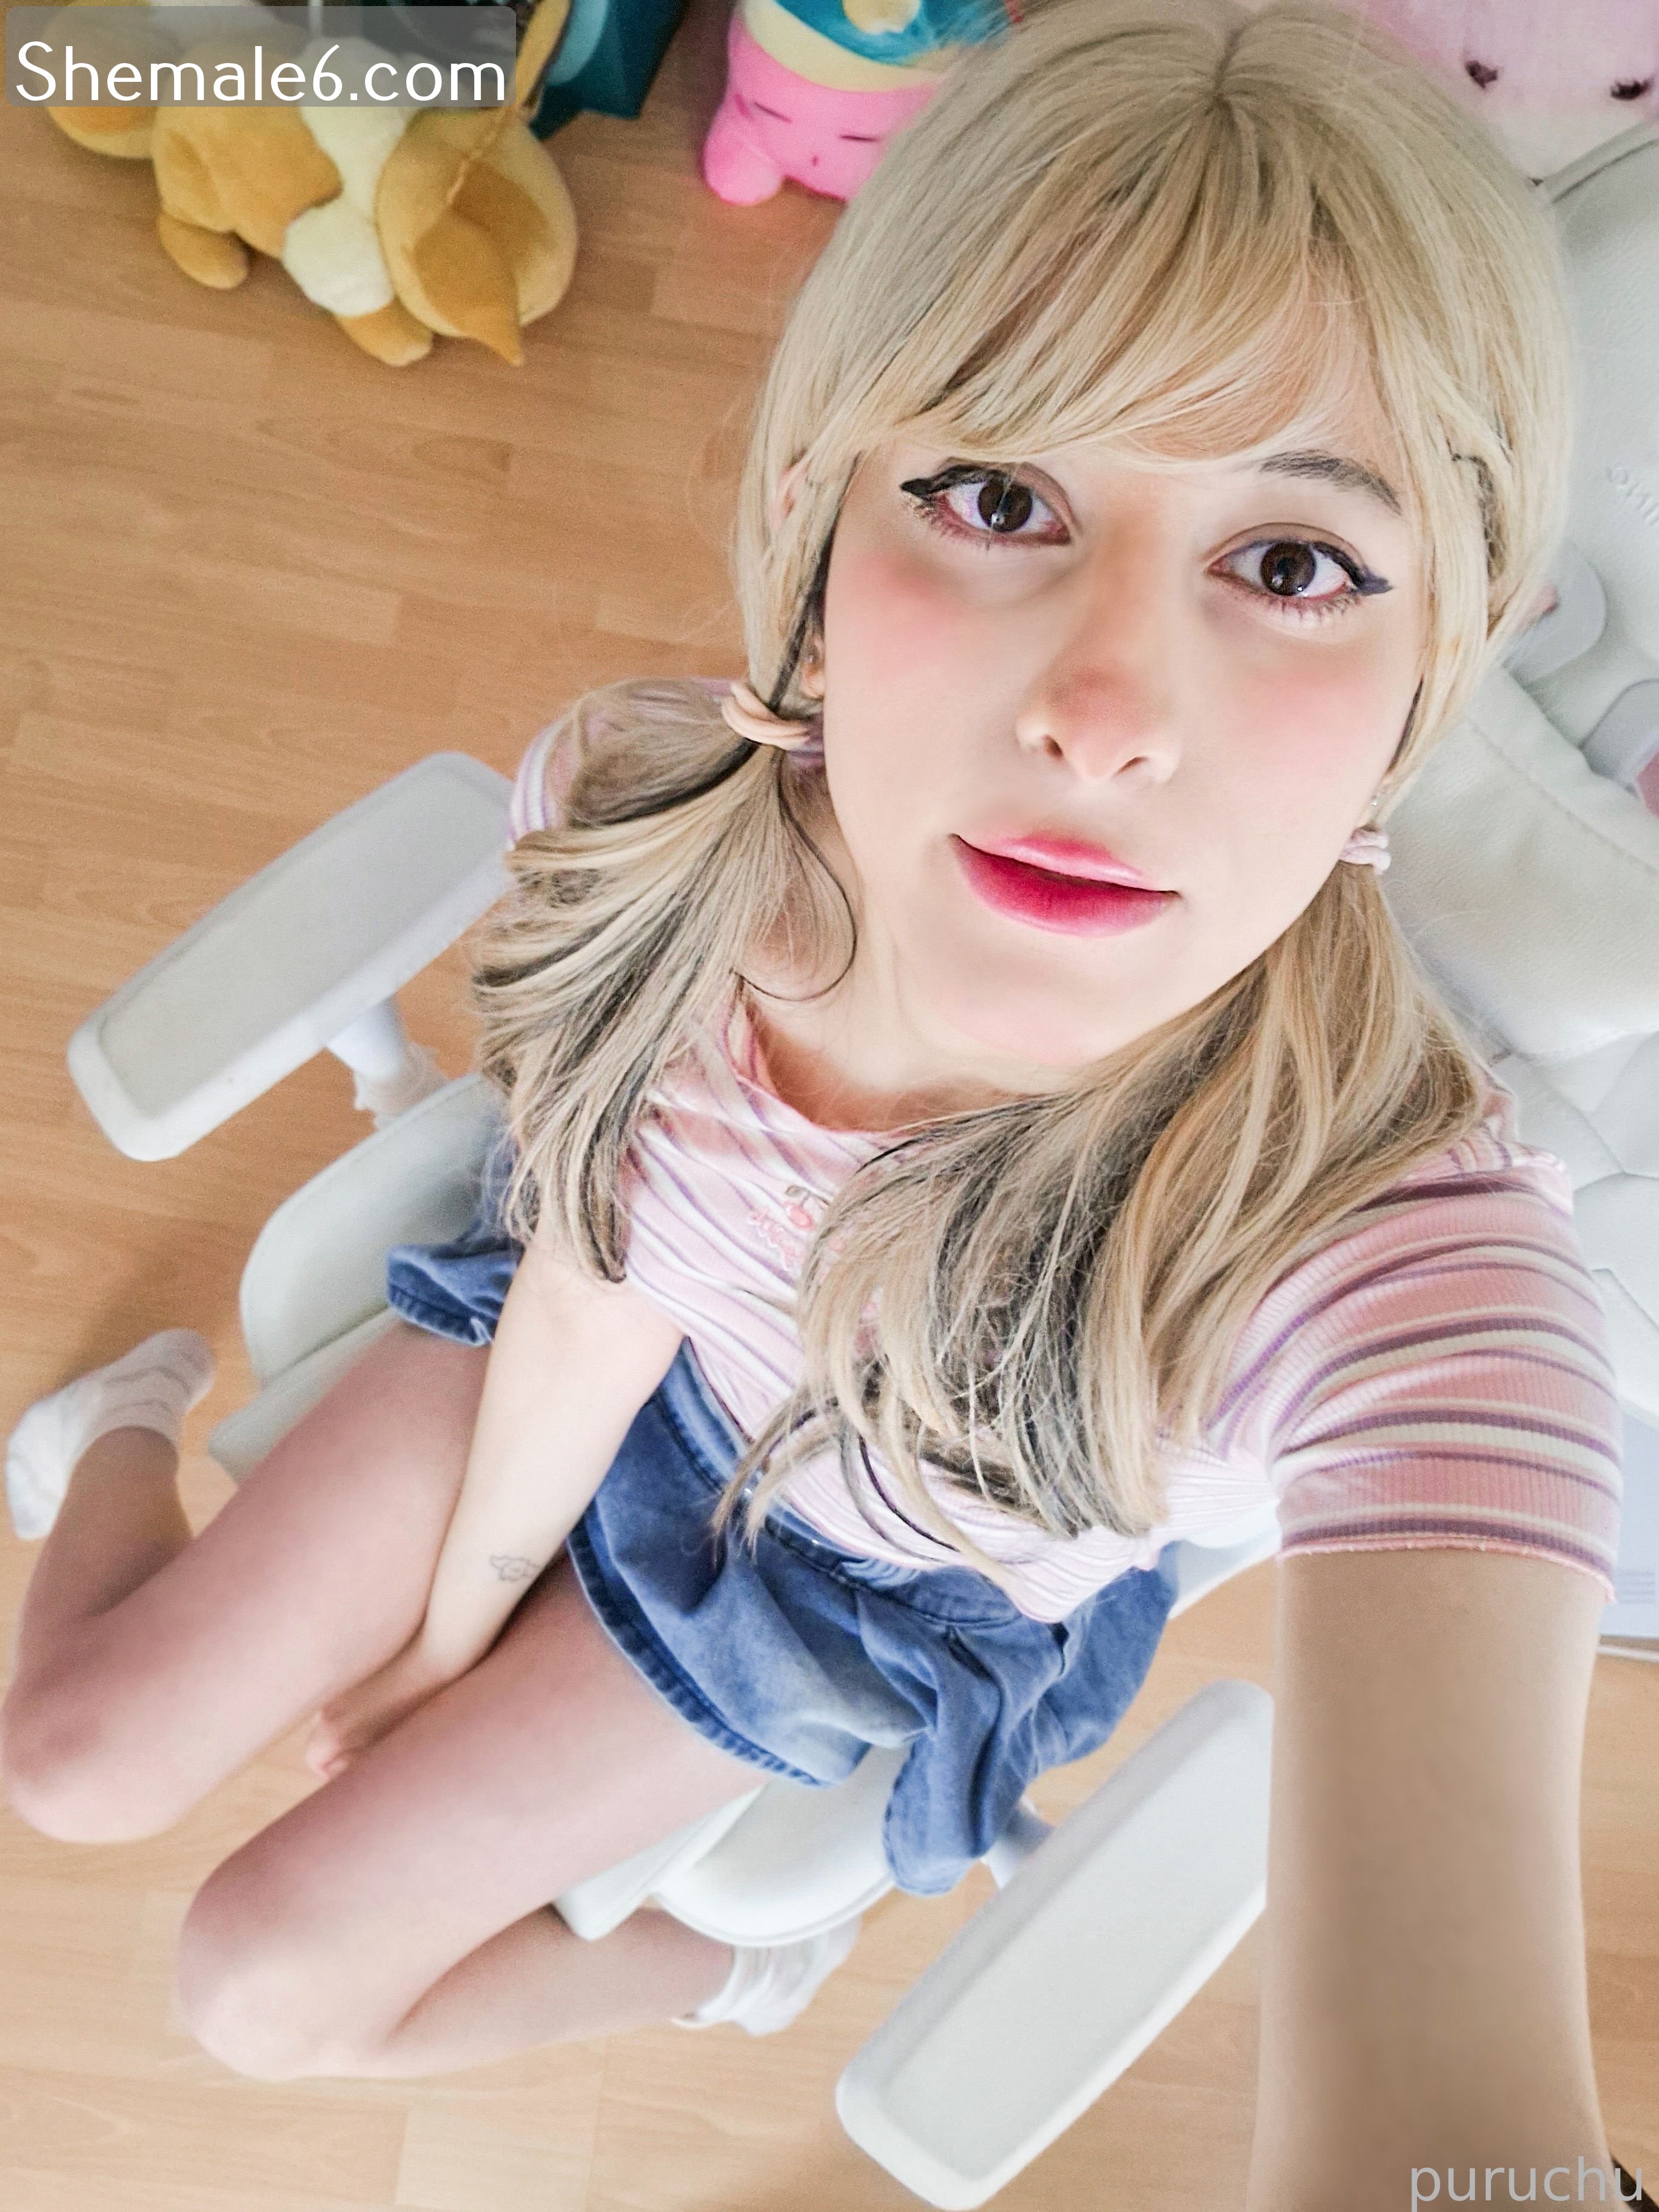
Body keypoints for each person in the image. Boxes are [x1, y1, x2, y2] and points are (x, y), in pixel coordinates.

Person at [0, 0, 1634, 2200]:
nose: (1107, 713)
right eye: (998, 497)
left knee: (260, 1989)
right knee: (71, 1765)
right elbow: (602, 1277)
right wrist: (458, 1620)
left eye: (1292, 564)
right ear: (817, 515)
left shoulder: (1391, 1268)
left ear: (1443, 653)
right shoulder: (648, 833)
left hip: (847, 1591)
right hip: (609, 1375)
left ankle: (720, 1971)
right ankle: (127, 1414)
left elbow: (1453, 2109)